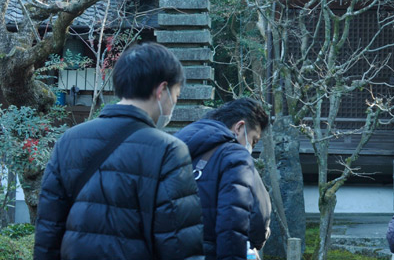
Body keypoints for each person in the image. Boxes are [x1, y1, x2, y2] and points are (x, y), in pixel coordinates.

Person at [34, 43, 203, 260]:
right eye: (176, 96)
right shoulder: (170, 151)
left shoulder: (69, 140)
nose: (173, 106)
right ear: (161, 90)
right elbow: (179, 245)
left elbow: (48, 231)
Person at [176, 98, 272, 260]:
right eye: (253, 141)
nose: (251, 149)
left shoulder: (172, 145)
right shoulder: (235, 156)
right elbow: (257, 220)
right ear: (240, 127)